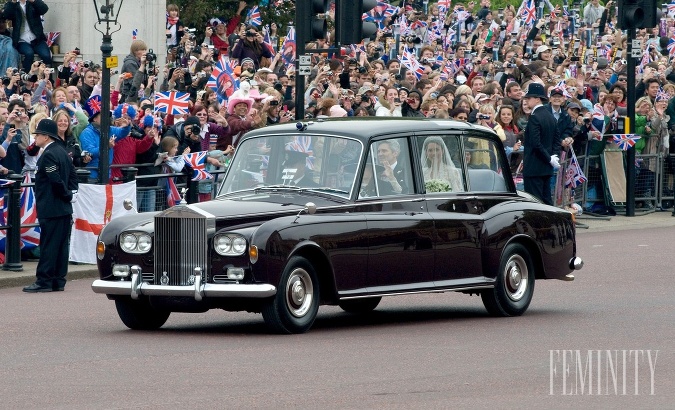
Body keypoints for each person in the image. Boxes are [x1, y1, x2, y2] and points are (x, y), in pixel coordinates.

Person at [23, 118, 77, 293]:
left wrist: (66, 194)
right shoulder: (62, 151)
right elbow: (73, 176)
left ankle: (44, 280)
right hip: (62, 207)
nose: (36, 138)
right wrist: (71, 193)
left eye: (38, 135)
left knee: (48, 245)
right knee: (61, 246)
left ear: (46, 137)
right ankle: (58, 280)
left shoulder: (48, 155)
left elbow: (55, 180)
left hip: (51, 206)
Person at [521, 83, 560, 205]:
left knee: (535, 203)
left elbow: (535, 143)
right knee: (546, 201)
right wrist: (554, 156)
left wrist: (550, 158)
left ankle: (540, 225)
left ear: (537, 99)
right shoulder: (550, 116)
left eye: (529, 98)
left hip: (534, 168)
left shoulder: (535, 117)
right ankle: (550, 224)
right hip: (545, 168)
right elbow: (556, 140)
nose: (526, 100)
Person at [2, 0, 52, 73]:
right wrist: (13, 2)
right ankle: (27, 78)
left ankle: (48, 79)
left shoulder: (32, 3)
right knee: (29, 53)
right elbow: (6, 15)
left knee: (46, 55)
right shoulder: (13, 4)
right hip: (22, 40)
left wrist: (33, 1)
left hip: (37, 39)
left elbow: (44, 9)